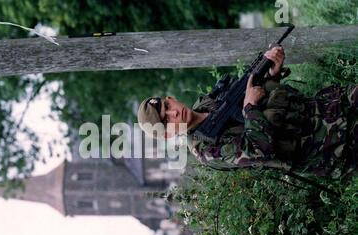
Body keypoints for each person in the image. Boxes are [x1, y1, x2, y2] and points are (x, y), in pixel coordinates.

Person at [137, 47, 358, 179]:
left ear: (171, 99)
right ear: (168, 135)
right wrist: (249, 108)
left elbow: (263, 95)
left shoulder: (209, 102)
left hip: (329, 107)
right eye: (167, 121)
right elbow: (261, 151)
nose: (174, 114)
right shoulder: (207, 150)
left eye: (168, 107)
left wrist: (272, 74)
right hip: (330, 146)